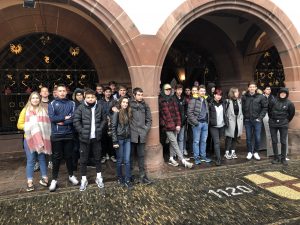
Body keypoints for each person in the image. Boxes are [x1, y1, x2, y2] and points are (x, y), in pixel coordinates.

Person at [17, 92, 51, 191]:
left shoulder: (43, 110)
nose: (35, 100)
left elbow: (47, 124)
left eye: (37, 98)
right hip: (29, 139)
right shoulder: (25, 110)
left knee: (42, 159)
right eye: (33, 98)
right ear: (30, 99)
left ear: (39, 100)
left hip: (42, 139)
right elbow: (19, 125)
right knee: (31, 160)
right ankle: (30, 182)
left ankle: (45, 179)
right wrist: (31, 126)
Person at [48, 84, 79, 192]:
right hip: (56, 135)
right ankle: (54, 179)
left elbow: (73, 118)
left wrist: (61, 121)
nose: (61, 93)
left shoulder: (72, 103)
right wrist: (64, 118)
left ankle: (71, 175)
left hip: (69, 134)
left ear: (66, 92)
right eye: (59, 91)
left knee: (69, 156)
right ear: (56, 92)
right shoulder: (52, 103)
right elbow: (52, 118)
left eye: (63, 91)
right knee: (56, 157)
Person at [73, 89, 106, 191]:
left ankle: (99, 177)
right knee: (83, 160)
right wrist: (82, 131)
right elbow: (76, 121)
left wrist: (100, 129)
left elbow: (104, 119)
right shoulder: (81, 107)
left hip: (96, 138)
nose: (90, 99)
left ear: (95, 97)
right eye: (88, 97)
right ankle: (83, 179)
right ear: (85, 97)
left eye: (92, 97)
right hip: (84, 139)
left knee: (97, 158)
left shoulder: (99, 107)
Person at [159, 84, 193, 168]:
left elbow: (177, 113)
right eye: (166, 89)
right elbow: (159, 115)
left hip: (175, 125)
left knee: (172, 143)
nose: (168, 91)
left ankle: (171, 158)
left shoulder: (172, 99)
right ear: (163, 90)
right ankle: (183, 160)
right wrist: (164, 124)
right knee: (174, 142)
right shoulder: (160, 100)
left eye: (169, 90)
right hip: (167, 126)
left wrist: (178, 124)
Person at [130, 87, 153, 184]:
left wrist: (145, 129)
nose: (140, 96)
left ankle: (143, 175)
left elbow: (149, 119)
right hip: (131, 134)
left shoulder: (145, 105)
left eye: (141, 95)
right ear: (134, 95)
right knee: (130, 156)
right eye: (138, 95)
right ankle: (130, 176)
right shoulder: (129, 105)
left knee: (141, 156)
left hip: (141, 135)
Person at [268, 87, 295, 165]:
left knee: (283, 141)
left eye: (284, 93)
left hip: (283, 123)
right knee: (274, 141)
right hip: (273, 123)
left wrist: (286, 120)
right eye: (281, 93)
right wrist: (273, 119)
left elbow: (291, 114)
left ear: (286, 94)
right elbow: (269, 111)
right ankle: (276, 157)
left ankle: (283, 158)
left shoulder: (289, 103)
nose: (282, 94)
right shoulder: (273, 101)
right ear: (279, 93)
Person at [242, 81, 268, 160]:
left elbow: (264, 108)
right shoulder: (244, 97)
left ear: (256, 88)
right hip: (247, 120)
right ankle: (250, 152)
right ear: (248, 88)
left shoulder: (261, 97)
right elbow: (242, 108)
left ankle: (256, 152)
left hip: (257, 120)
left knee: (257, 137)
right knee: (249, 138)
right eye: (250, 87)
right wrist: (244, 117)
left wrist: (260, 118)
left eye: (253, 87)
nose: (252, 88)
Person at [111, 96, 133, 189]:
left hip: (127, 139)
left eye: (126, 102)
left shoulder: (129, 112)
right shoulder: (117, 113)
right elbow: (113, 127)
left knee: (127, 160)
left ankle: (127, 179)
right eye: (123, 102)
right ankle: (120, 177)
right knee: (120, 160)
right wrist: (115, 141)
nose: (125, 104)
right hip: (119, 139)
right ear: (120, 103)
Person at [187, 85, 211, 164]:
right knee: (196, 141)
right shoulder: (193, 100)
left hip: (205, 123)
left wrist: (207, 121)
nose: (203, 92)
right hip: (197, 124)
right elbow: (189, 113)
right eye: (201, 91)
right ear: (198, 91)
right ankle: (196, 158)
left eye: (204, 91)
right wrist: (196, 123)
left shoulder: (205, 100)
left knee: (204, 141)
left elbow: (207, 111)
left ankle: (203, 156)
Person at [208, 88, 226, 166]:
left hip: (221, 125)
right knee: (217, 142)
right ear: (214, 95)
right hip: (214, 126)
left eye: (220, 95)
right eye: (217, 95)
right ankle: (218, 159)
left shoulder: (223, 103)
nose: (219, 96)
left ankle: (215, 153)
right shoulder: (210, 103)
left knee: (218, 141)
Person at [224, 87, 243, 160]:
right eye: (236, 92)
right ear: (232, 93)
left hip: (238, 122)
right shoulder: (228, 101)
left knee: (235, 137)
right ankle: (226, 152)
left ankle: (233, 151)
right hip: (230, 121)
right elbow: (225, 112)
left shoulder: (239, 101)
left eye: (238, 92)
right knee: (229, 137)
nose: (238, 93)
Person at [99, 86, 116, 163]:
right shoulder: (100, 101)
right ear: (104, 93)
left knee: (111, 140)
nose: (108, 93)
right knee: (103, 140)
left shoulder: (114, 101)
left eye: (109, 92)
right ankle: (104, 155)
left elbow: (116, 111)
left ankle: (112, 155)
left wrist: (111, 117)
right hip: (103, 123)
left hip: (111, 123)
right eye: (106, 92)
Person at [173, 84, 188, 159]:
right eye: (178, 89)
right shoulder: (173, 98)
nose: (180, 91)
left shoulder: (183, 98)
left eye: (181, 90)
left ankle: (181, 155)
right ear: (175, 90)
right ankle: (175, 154)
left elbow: (186, 108)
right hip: (175, 123)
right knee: (174, 140)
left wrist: (185, 116)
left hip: (182, 122)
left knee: (181, 139)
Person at [72, 88, 84, 171]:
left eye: (80, 95)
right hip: (75, 130)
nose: (79, 96)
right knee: (75, 148)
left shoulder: (86, 103)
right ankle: (74, 164)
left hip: (84, 129)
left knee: (84, 147)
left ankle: (84, 163)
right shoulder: (73, 104)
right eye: (77, 95)